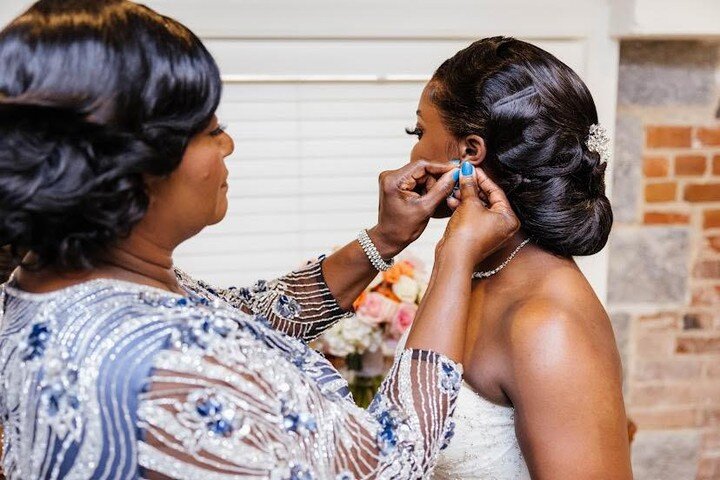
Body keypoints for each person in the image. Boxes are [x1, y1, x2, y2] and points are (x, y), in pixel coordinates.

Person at [0, 1, 519, 478]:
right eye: (210, 129)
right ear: (134, 168)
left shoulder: (50, 284)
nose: (228, 143)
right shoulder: (166, 365)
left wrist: (383, 240)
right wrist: (453, 258)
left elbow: (245, 317)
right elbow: (389, 460)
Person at [400, 37, 633, 479]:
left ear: (469, 153)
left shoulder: (548, 324)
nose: (413, 154)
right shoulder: (476, 267)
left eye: (420, 133)